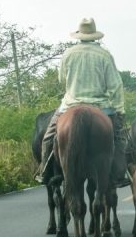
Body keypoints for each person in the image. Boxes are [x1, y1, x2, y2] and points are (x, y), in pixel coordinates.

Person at [35, 18, 129, 188]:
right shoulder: (105, 55)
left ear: (79, 35)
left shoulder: (68, 53)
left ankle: (44, 170)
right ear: (95, 36)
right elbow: (115, 85)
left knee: (48, 138)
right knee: (120, 138)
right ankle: (118, 174)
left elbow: (62, 79)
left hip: (70, 104)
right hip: (101, 106)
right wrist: (120, 110)